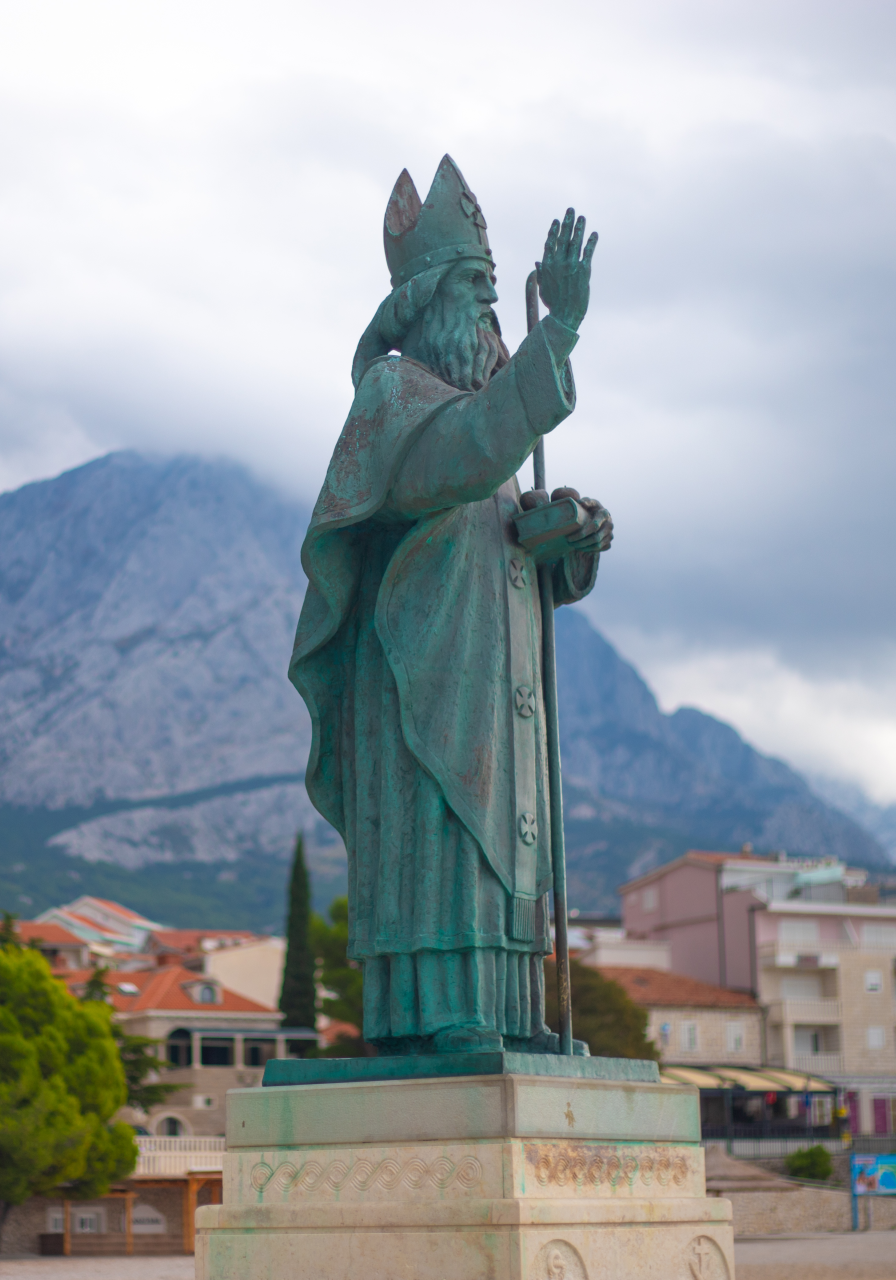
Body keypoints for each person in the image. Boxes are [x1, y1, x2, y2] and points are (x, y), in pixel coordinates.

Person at [290, 156, 612, 1053]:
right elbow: (456, 459)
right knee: (446, 847)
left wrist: (561, 544)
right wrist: (563, 337)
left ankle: (513, 1014)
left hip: (492, 690)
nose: (491, 310)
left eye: (497, 291)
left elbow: (497, 539)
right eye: (476, 287)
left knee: (502, 851)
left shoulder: (488, 420)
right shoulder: (395, 398)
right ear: (425, 298)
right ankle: (438, 1021)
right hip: (422, 687)